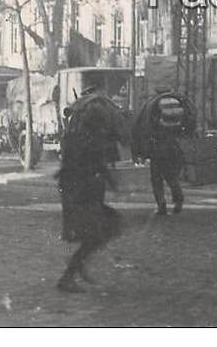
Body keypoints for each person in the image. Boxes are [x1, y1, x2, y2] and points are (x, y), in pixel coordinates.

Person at [55, 92, 124, 293]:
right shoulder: (86, 141)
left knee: (99, 232)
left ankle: (77, 265)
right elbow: (91, 166)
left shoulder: (78, 138)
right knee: (100, 232)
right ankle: (70, 273)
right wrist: (109, 182)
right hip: (80, 195)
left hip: (78, 193)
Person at [132, 89, 193, 216]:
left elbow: (143, 127)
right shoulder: (178, 102)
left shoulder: (151, 106)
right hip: (175, 146)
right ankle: (178, 201)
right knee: (171, 176)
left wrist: (141, 151)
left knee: (156, 178)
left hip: (158, 147)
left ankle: (161, 205)